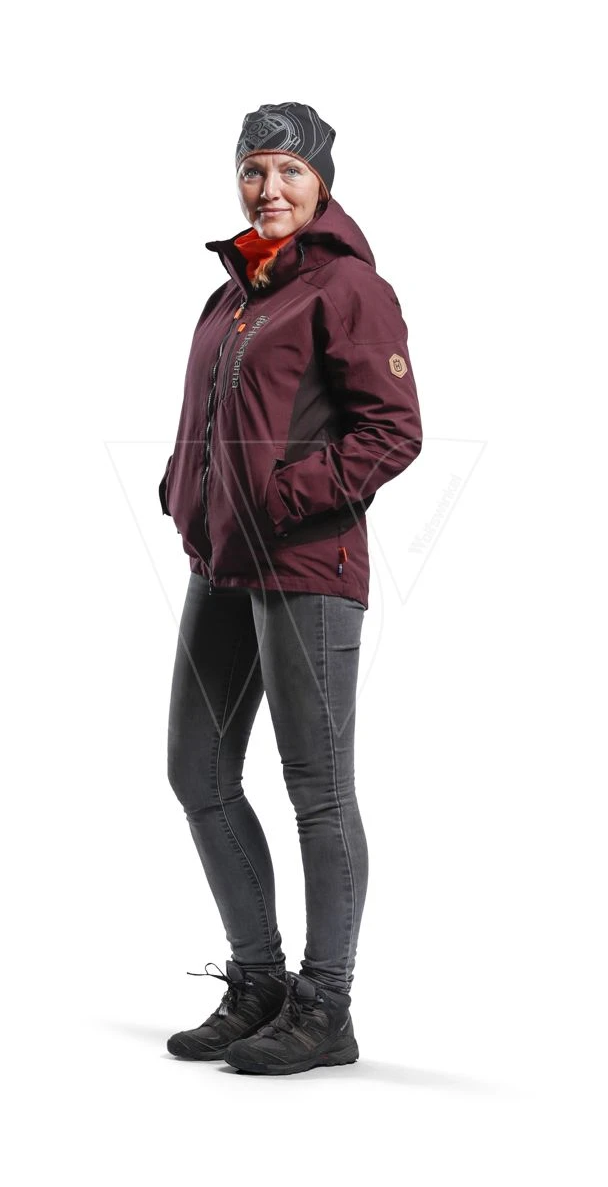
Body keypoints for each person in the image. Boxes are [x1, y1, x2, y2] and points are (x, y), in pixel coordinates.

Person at [158, 101, 422, 1075]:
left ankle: (326, 1006)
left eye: (288, 171)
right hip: (222, 561)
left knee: (316, 789)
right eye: (253, 170)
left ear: (322, 183)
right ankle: (259, 982)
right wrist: (183, 490)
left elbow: (393, 429)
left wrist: (281, 498)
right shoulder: (231, 294)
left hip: (307, 566)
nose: (268, 189)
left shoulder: (348, 287)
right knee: (197, 771)